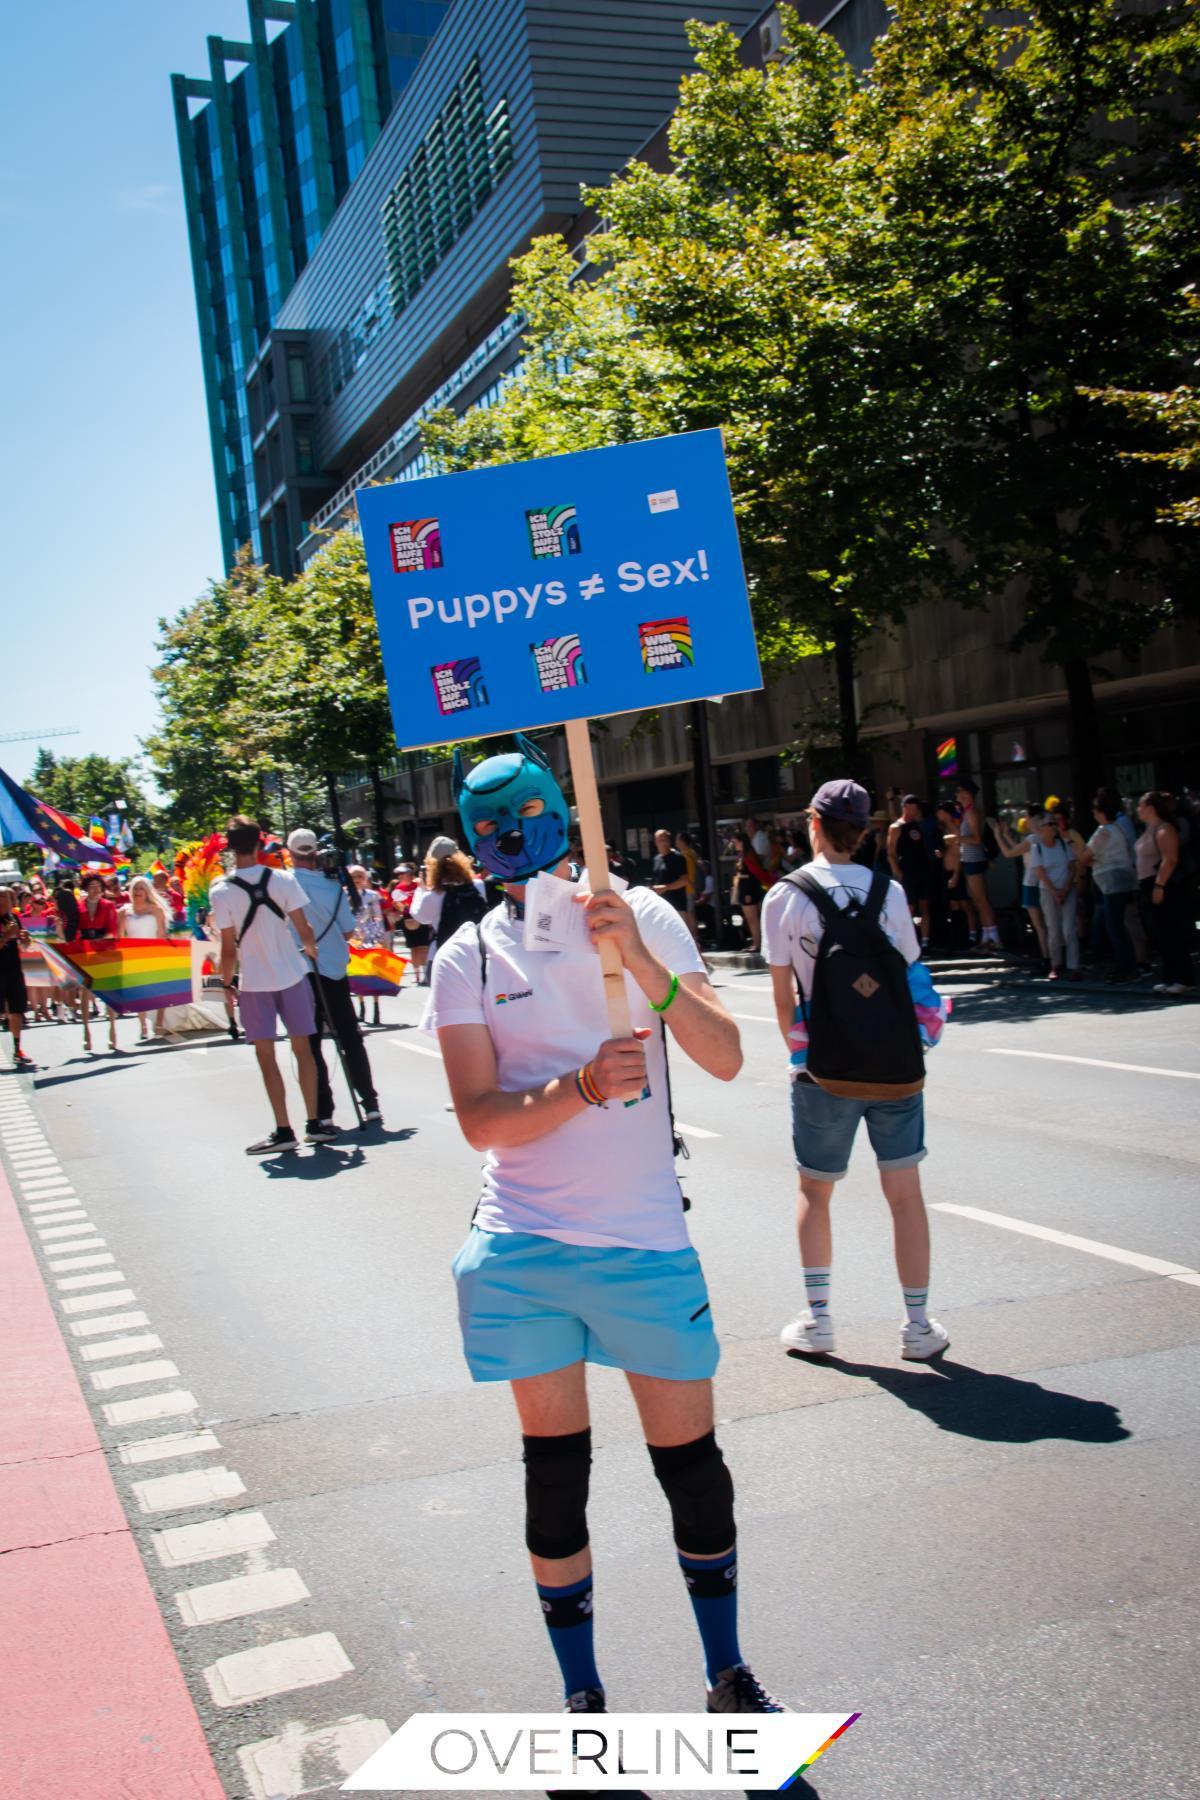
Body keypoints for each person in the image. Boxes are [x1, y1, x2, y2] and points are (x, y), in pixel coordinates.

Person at [431, 734, 782, 1720]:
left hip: (644, 1246)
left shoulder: (643, 913)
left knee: (694, 1474)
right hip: (524, 1248)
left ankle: (727, 1673)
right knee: (556, 1480)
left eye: (525, 814)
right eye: (490, 824)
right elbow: (479, 1121)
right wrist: (580, 1085)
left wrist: (639, 963)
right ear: (473, 841)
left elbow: (723, 1056)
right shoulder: (466, 955)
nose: (511, 835)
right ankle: (582, 1695)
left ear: (560, 811)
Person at [763, 781, 949, 1362]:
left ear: (811, 824)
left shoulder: (783, 898)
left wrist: (801, 1056)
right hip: (894, 1063)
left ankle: (819, 1321)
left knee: (814, 1192)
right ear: (865, 831)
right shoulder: (889, 893)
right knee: (904, 1193)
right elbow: (912, 981)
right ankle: (917, 1326)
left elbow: (783, 999)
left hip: (824, 1066)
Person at [210, 817, 332, 1155]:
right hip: (292, 974)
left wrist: (225, 984)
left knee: (266, 1056)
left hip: (254, 982)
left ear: (230, 847)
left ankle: (283, 1129)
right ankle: (314, 1122)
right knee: (303, 1050)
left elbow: (227, 947)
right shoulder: (283, 879)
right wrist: (310, 949)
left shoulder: (221, 890)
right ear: (260, 843)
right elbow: (303, 928)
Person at [286, 830, 382, 1128]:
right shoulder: (331, 886)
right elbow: (347, 930)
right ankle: (370, 1103)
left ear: (290, 853)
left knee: (311, 1043)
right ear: (315, 853)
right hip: (333, 971)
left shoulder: (282, 883)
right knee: (350, 1037)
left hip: (300, 972)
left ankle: (323, 1112)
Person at [1136, 791, 1194, 995]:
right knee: (1161, 934)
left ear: (1150, 808)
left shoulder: (1164, 828)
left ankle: (1184, 978)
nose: (1137, 809)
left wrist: (1159, 886)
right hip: (1148, 885)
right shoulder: (1149, 829)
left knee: (1172, 932)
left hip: (1163, 885)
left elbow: (1170, 859)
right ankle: (1170, 978)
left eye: (1140, 805)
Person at [1080, 790, 1138, 984]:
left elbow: (1085, 856)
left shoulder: (1103, 831)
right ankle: (1129, 965)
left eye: (1095, 810)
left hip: (1111, 882)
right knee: (1118, 924)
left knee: (1114, 925)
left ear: (1101, 811)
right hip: (1122, 880)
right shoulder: (1118, 829)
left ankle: (1126, 967)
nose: (1093, 814)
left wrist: (1091, 860)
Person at [410, 835, 488, 970]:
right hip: (476, 955)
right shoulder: (478, 886)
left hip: (443, 958)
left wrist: (420, 890)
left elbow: (420, 917)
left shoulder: (432, 896)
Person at [120, 874, 172, 1041]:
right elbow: (119, 937)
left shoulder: (156, 910)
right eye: (135, 888)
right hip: (134, 956)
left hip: (154, 953)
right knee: (139, 993)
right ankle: (143, 1025)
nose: (138, 891)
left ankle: (159, 1023)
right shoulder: (124, 911)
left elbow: (162, 934)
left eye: (141, 888)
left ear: (148, 891)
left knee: (160, 991)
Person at [1027, 814, 1079, 980]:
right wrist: (1054, 892)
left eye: (1054, 824)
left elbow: (1072, 868)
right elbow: (1040, 872)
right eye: (1050, 824)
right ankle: (1055, 964)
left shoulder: (1064, 845)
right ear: (1041, 828)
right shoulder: (1038, 848)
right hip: (1048, 891)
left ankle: (1074, 966)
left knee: (1069, 928)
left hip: (1067, 889)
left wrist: (1065, 889)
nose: (1053, 827)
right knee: (1053, 929)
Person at [994, 816, 1050, 967]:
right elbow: (1021, 851)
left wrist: (998, 836)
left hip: (1031, 883)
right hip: (1043, 882)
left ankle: (1046, 956)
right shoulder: (1044, 838)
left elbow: (1009, 853)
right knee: (1048, 922)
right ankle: (1052, 955)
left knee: (1039, 925)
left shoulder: (1033, 838)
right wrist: (1006, 834)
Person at [887, 795, 938, 952]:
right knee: (909, 907)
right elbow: (891, 852)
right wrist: (898, 872)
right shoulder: (896, 827)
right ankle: (907, 941)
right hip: (907, 871)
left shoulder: (917, 826)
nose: (916, 811)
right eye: (913, 807)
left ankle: (925, 941)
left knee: (925, 906)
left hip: (922, 869)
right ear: (906, 807)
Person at [954, 780, 1000, 948]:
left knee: (981, 899)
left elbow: (976, 838)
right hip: (969, 858)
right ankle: (987, 936)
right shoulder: (967, 812)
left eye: (959, 791)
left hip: (975, 858)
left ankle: (994, 936)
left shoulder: (972, 812)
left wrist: (958, 838)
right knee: (977, 899)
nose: (957, 795)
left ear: (967, 793)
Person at [348, 862, 387, 1026]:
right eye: (354, 877)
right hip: (353, 938)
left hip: (370, 938)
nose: (357, 879)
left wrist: (378, 936)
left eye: (360, 876)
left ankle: (376, 1007)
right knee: (357, 974)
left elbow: (377, 916)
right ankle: (362, 1006)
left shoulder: (371, 895)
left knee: (373, 974)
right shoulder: (344, 896)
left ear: (364, 878)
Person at [0, 886, 33, 1068]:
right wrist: (7, 936)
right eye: (5, 897)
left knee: (16, 1011)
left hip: (13, 970)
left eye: (11, 898)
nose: (9, 901)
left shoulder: (14, 918)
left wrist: (25, 939)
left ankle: (17, 1049)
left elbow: (25, 946)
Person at [729, 833, 764, 952]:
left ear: (742, 842)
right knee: (750, 918)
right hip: (744, 888)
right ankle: (756, 942)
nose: (734, 844)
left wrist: (749, 892)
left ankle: (757, 944)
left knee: (752, 918)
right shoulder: (742, 854)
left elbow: (755, 873)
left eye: (736, 842)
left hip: (748, 889)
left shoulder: (748, 855)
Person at [651, 828, 689, 915]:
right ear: (656, 842)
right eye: (660, 840)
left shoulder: (678, 858)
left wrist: (666, 887)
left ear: (669, 841)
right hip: (661, 906)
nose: (663, 842)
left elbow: (684, 881)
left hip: (676, 906)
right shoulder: (656, 859)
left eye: (665, 840)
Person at [675, 829, 701, 941]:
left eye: (677, 840)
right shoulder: (692, 853)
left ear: (681, 841)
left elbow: (689, 875)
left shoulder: (685, 856)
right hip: (690, 888)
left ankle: (694, 938)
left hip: (687, 889)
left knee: (689, 915)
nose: (675, 842)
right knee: (691, 914)